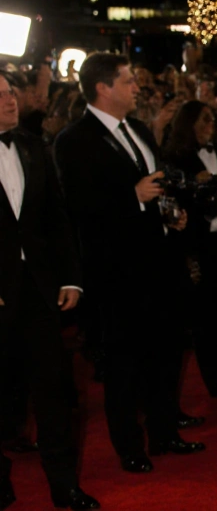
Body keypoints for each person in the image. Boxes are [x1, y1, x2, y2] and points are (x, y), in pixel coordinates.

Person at [53, 54, 203, 474]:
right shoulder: (73, 139)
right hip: (116, 272)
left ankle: (164, 430)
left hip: (159, 262)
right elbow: (78, 207)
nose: (136, 87)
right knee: (123, 363)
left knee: (165, 351)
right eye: (128, 80)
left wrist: (170, 213)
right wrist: (131, 197)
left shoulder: (137, 129)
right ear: (103, 88)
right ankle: (128, 446)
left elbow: (155, 185)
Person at [0, 73, 100, 510]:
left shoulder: (33, 146)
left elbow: (57, 220)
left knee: (55, 390)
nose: (9, 101)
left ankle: (64, 485)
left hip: (39, 292)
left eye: (10, 93)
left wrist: (72, 277)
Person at [163, 101, 217, 399]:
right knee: (205, 316)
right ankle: (214, 380)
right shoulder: (177, 159)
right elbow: (174, 204)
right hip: (198, 246)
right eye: (205, 120)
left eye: (213, 119)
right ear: (189, 125)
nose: (211, 125)